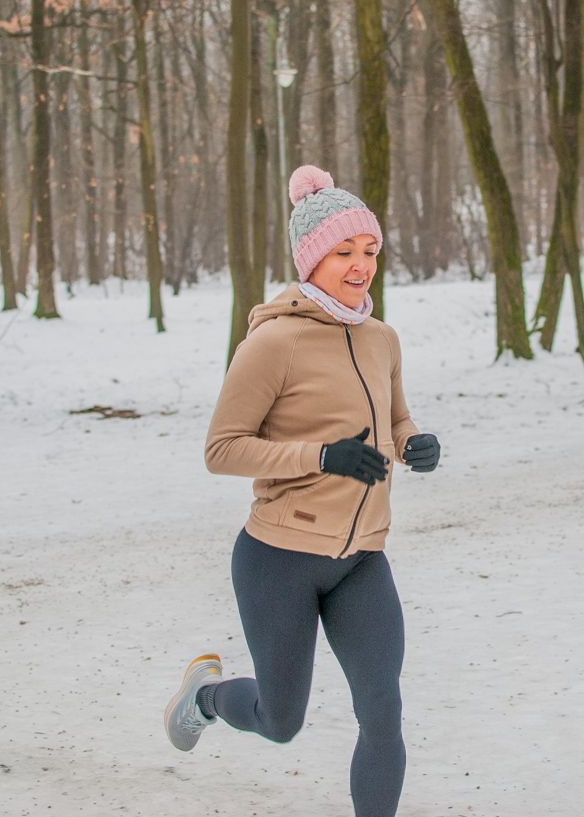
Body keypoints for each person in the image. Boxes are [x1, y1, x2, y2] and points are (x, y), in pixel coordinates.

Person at [164, 164, 440, 817]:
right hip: (278, 561)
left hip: (361, 559)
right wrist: (320, 455)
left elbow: (396, 417)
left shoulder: (381, 338)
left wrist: (412, 442)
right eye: (343, 251)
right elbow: (222, 448)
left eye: (369, 250)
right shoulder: (273, 342)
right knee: (280, 718)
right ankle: (205, 696)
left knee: (382, 708)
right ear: (310, 256)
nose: (360, 265)